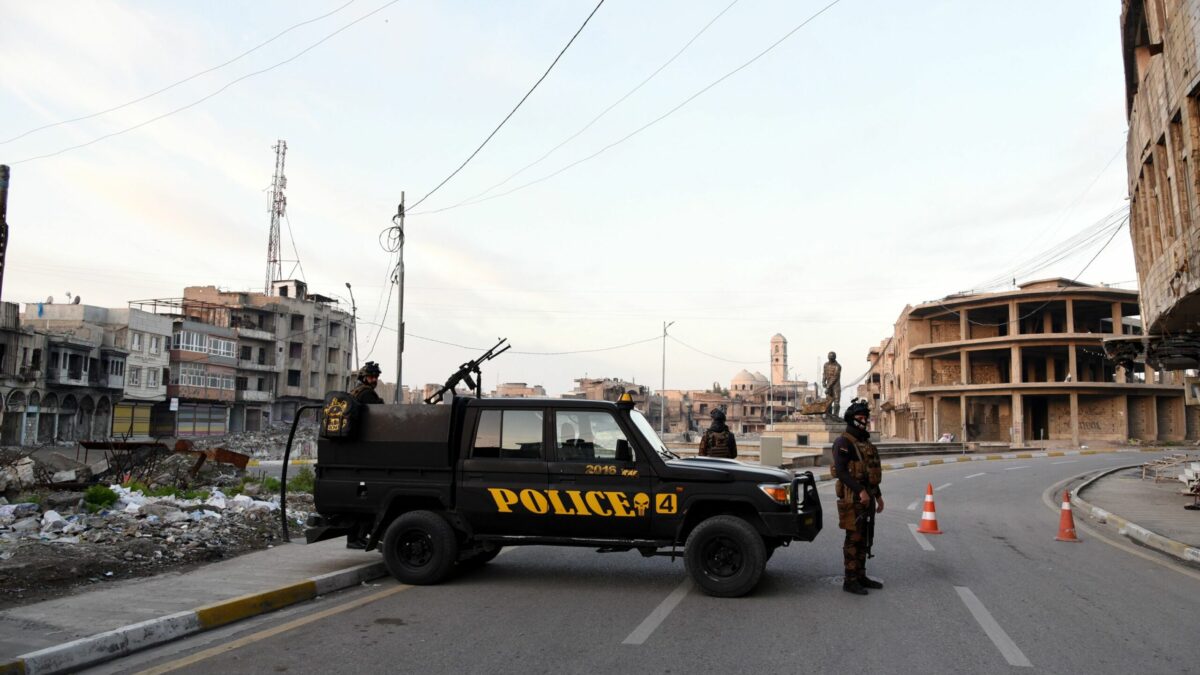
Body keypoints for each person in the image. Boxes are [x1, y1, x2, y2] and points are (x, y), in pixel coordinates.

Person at [832, 398, 884, 595]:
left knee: (865, 536)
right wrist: (860, 491)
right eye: (860, 417)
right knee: (853, 538)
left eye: (865, 417)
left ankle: (861, 575)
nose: (863, 420)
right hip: (852, 498)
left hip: (868, 498)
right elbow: (842, 472)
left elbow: (871, 473)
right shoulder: (843, 442)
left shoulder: (865, 443)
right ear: (852, 419)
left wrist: (878, 496)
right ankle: (850, 579)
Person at [822, 351, 842, 419]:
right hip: (828, 385)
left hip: (836, 385)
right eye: (829, 357)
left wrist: (828, 386)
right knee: (828, 400)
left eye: (832, 357)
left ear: (834, 358)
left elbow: (835, 377)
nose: (830, 359)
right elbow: (824, 373)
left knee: (836, 400)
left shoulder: (838, 366)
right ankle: (829, 415)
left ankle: (835, 415)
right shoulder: (825, 365)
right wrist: (823, 381)